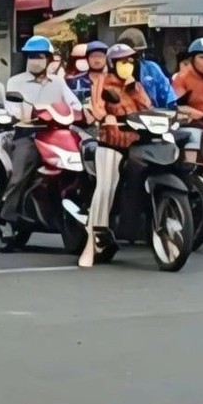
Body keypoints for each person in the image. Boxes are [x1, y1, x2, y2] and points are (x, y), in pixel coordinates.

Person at [79, 43, 153, 267]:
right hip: (110, 140)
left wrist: (133, 89)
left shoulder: (136, 85)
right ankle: (92, 241)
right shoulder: (103, 81)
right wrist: (106, 118)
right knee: (106, 187)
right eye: (122, 62)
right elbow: (98, 107)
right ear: (113, 64)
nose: (127, 66)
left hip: (135, 142)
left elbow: (147, 108)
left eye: (130, 62)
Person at [0, 36, 84, 231]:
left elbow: (74, 105)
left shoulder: (58, 82)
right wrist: (26, 114)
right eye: (30, 56)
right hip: (27, 135)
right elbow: (12, 110)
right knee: (21, 169)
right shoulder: (15, 82)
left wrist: (82, 112)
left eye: (38, 56)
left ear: (47, 59)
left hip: (57, 135)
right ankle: (8, 211)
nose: (34, 60)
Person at [117, 27, 177, 109]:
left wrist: (171, 106)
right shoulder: (113, 70)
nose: (129, 56)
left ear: (141, 52)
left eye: (135, 52)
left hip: (151, 114)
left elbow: (166, 91)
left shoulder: (151, 68)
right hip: (123, 114)